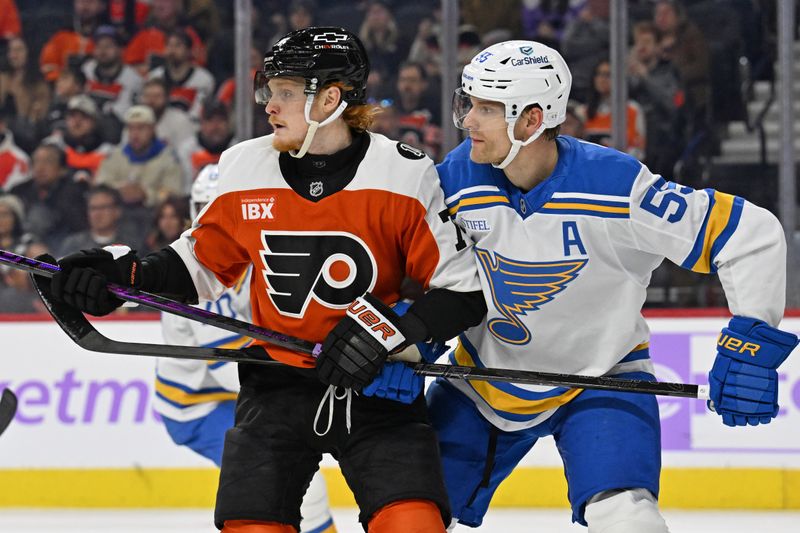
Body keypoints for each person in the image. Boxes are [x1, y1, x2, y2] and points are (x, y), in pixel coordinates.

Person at [45, 26, 486, 533]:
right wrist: (126, 276)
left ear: (331, 99)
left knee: (414, 525)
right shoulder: (243, 166)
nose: (269, 105)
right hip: (276, 383)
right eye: (269, 91)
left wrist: (390, 331)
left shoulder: (403, 173)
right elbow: (200, 266)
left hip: (377, 384)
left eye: (285, 93)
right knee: (250, 524)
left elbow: (463, 292)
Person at [431, 39, 798, 533]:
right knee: (414, 515)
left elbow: (750, 234)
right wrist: (402, 341)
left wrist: (751, 343)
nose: (468, 120)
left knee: (627, 518)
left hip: (605, 379)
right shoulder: (451, 180)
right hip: (482, 383)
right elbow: (419, 276)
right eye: (467, 103)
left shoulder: (616, 186)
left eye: (488, 108)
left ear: (532, 120)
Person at [155, 164, 337, 533]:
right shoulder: (200, 278)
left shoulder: (259, 255)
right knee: (296, 476)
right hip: (198, 405)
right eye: (211, 209)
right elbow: (231, 372)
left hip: (234, 390)